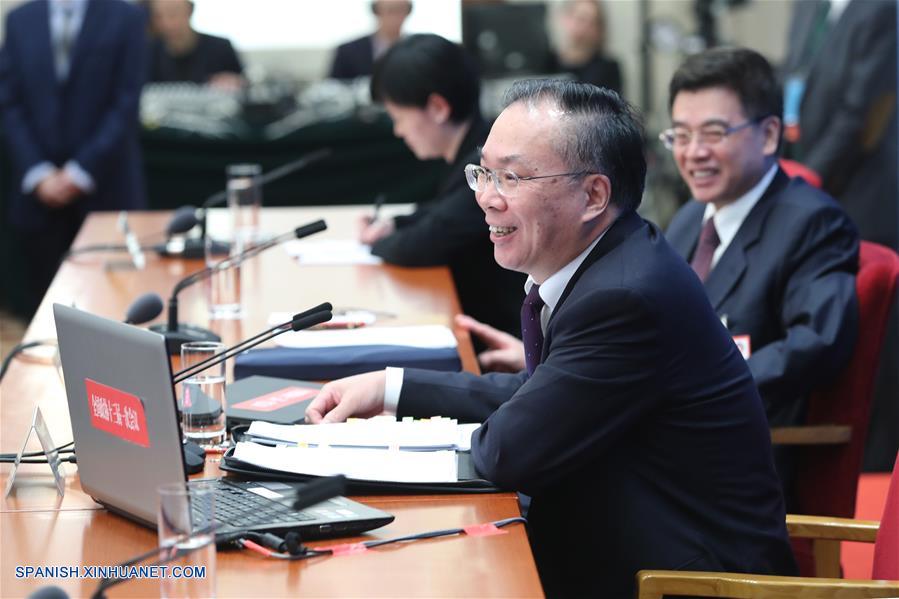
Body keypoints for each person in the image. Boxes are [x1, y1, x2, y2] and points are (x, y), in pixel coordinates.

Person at [308, 79, 796, 598]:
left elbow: (508, 452)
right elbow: (545, 392)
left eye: (511, 177)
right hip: (617, 547)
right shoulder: (610, 260)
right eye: (484, 173)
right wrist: (390, 388)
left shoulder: (626, 297)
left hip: (683, 581)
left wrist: (383, 449)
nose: (485, 198)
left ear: (593, 195)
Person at [457, 48, 861, 510]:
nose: (694, 152)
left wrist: (695, 375)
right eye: (681, 135)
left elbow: (818, 345)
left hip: (736, 459)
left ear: (770, 134)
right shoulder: (689, 219)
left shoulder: (811, 222)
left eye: (714, 133)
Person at [782, 0, 898, 472]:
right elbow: (793, 85)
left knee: (871, 322)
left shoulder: (880, 9)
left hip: (860, 187)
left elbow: (860, 114)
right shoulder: (809, 6)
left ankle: (873, 456)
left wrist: (804, 177)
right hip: (810, 177)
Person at [359, 33, 525, 336]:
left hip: (501, 338)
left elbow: (421, 245)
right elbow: (442, 212)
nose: (398, 131)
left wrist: (374, 244)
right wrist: (395, 223)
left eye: (399, 117)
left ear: (437, 108)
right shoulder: (475, 143)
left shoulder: (488, 164)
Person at [0, 0, 148, 316]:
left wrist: (81, 170)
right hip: (39, 195)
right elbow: (9, 101)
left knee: (112, 308)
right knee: (41, 313)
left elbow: (126, 102)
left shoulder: (127, 17)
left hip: (106, 187)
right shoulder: (19, 19)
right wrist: (38, 172)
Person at [147, 0, 244, 90]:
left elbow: (245, 85)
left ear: (190, 11)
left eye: (173, 14)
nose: (166, 23)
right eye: (158, 16)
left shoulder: (221, 48)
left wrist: (236, 82)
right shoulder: (147, 53)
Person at [545, 0, 622, 94]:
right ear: (565, 18)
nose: (585, 27)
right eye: (581, 19)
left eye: (592, 22)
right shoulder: (546, 62)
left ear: (599, 29)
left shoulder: (608, 68)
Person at [329, 0, 411, 80]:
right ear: (376, 12)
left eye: (402, 10)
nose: (396, 16)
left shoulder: (419, 49)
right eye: (390, 10)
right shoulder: (347, 51)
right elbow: (332, 86)